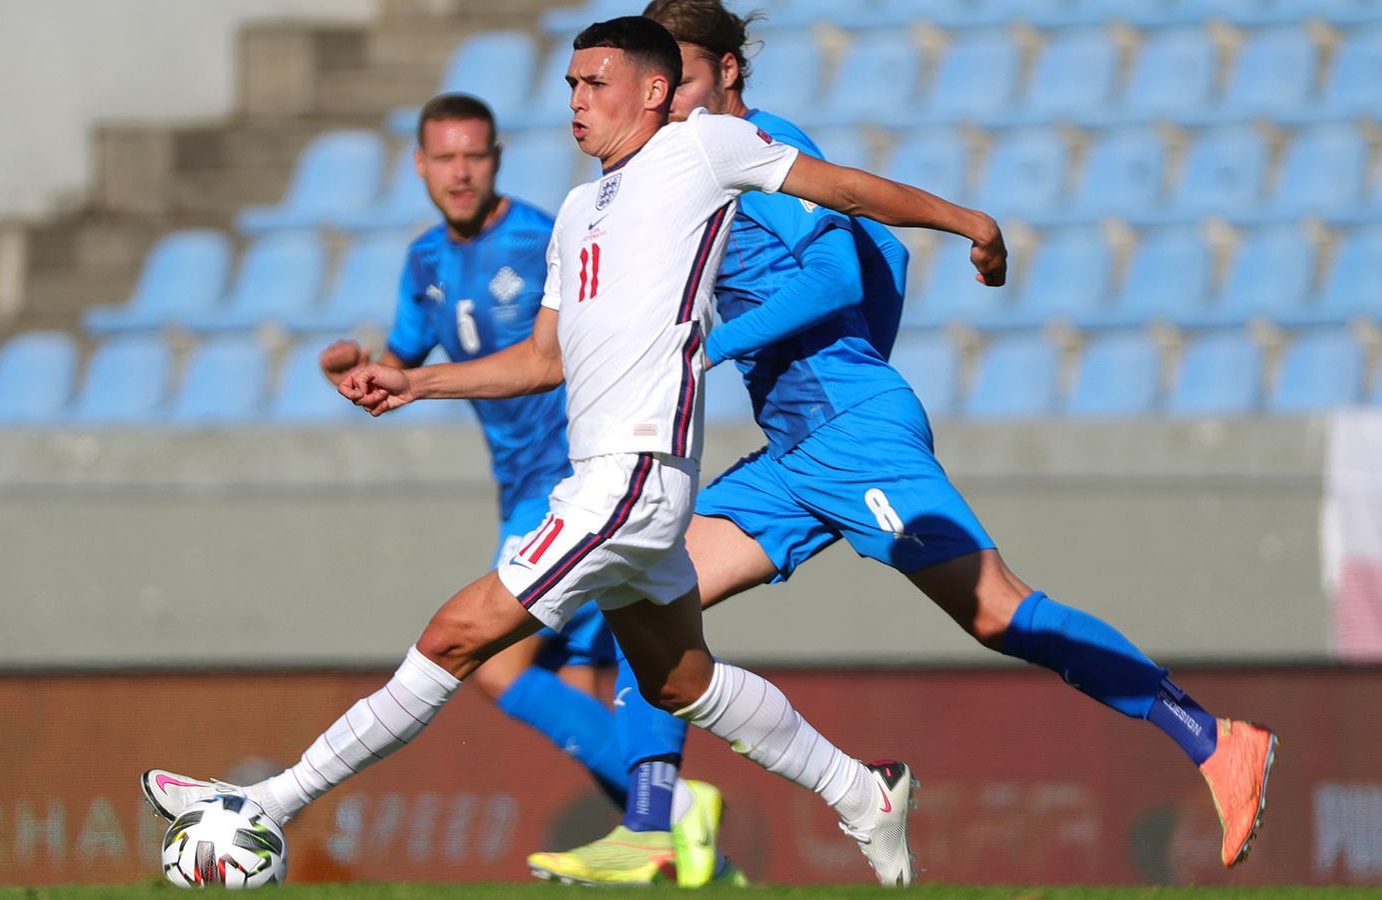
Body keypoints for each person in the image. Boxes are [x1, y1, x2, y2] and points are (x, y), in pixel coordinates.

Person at [143, 16, 1007, 888]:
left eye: (596, 83)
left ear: (655, 91)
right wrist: (414, 384)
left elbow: (846, 192)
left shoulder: (704, 148)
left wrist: (966, 220)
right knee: (680, 683)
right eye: (570, 85)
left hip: (632, 480)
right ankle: (864, 794)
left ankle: (267, 803)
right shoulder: (578, 209)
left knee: (454, 640)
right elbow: (540, 361)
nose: (576, 101)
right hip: (611, 483)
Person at [538, 0, 1278, 880]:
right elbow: (889, 260)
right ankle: (653, 825)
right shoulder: (683, 167)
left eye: (686, 79)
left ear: (728, 72)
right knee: (649, 595)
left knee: (995, 609)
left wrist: (716, 347)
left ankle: (1214, 739)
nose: (668, 108)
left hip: (852, 436)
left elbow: (845, 265)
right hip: (793, 455)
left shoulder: (755, 145)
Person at [314, 91, 740, 885]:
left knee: (498, 666)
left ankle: (677, 811)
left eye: (474, 155)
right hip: (519, 488)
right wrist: (359, 369)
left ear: (496, 159)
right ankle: (689, 857)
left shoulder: (544, 234)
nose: (461, 172)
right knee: (575, 688)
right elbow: (405, 359)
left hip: (576, 480)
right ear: (420, 166)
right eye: (445, 158)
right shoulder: (425, 263)